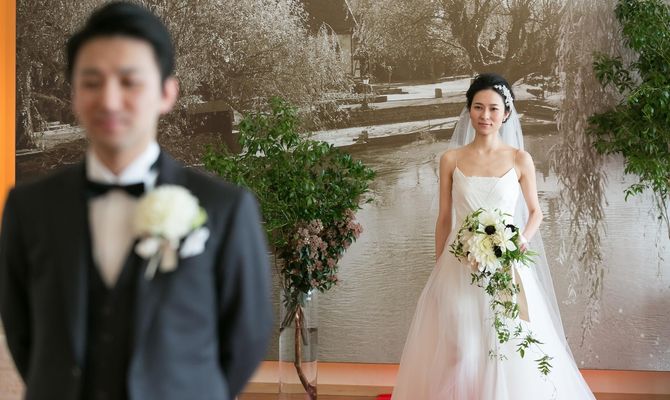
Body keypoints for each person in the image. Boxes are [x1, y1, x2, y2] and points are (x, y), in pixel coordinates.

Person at [0, 2, 272, 399]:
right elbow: (22, 334)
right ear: (74, 94)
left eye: (130, 81)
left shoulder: (225, 209)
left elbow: (246, 338)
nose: (110, 100)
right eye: (92, 82)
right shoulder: (28, 208)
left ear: (167, 93)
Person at [391, 73, 595, 399]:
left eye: (493, 108)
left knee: (507, 346)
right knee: (461, 349)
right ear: (469, 110)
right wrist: (439, 268)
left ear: (506, 113)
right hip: (458, 266)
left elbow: (536, 213)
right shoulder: (450, 159)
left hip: (506, 265)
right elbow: (444, 219)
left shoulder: (520, 159)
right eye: (478, 107)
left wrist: (518, 242)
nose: (485, 115)